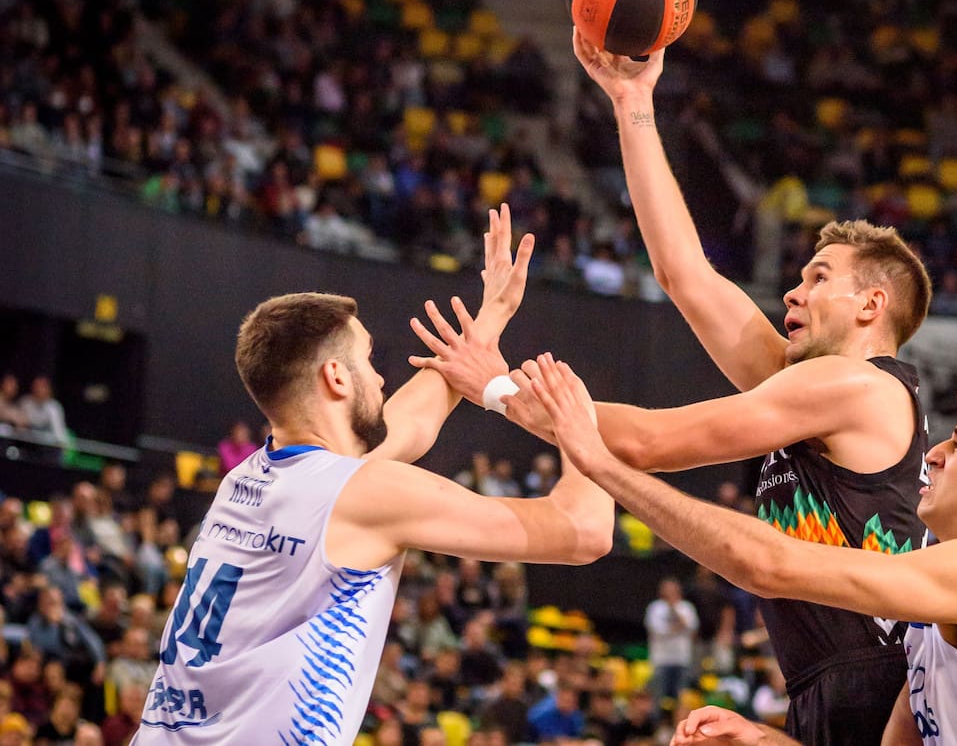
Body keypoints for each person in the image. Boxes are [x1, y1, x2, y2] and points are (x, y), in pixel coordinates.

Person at [412, 35, 933, 746]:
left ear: (872, 305)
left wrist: (496, 389)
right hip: (831, 680)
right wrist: (633, 103)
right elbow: (683, 273)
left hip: (877, 673)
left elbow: (649, 443)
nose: (793, 291)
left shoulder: (853, 385)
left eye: (818, 277)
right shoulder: (814, 388)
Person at [130, 208, 614, 745]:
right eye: (369, 359)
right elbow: (585, 532)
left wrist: (493, 313)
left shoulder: (250, 477)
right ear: (336, 377)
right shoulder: (364, 493)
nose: (382, 378)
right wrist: (580, 426)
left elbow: (408, 423)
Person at [514, 356, 957, 746]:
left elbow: (771, 564)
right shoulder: (933, 624)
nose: (934, 454)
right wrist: (762, 739)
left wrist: (599, 462)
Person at [644, 577, 699, 705]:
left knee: (682, 698)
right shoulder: (655, 607)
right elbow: (657, 631)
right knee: (657, 697)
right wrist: (678, 628)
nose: (670, 592)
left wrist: (674, 609)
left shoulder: (686, 607)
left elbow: (692, 628)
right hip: (661, 659)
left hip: (682, 659)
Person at [19, 377, 68, 445]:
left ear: (48, 389)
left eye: (42, 387)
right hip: (28, 442)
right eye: (36, 386)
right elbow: (20, 424)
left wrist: (61, 443)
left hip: (48, 445)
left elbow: (59, 432)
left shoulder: (54, 407)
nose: (39, 389)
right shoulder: (26, 402)